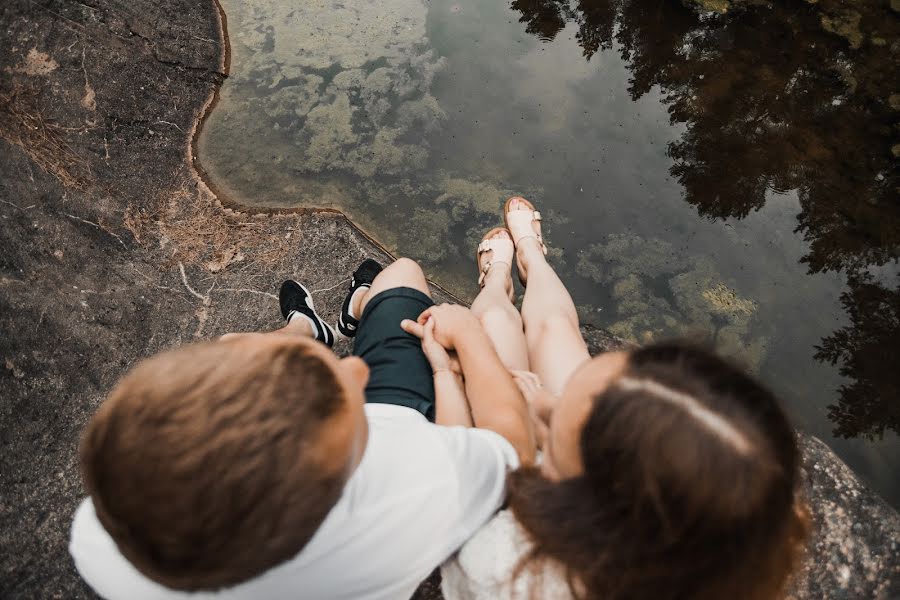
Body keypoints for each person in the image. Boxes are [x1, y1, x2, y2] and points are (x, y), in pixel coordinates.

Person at [408, 197, 810, 600]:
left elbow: (457, 479)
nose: (547, 402)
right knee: (555, 331)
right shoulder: (715, 548)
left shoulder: (503, 569)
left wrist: (452, 366)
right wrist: (550, 413)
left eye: (557, 413)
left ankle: (498, 282)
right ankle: (533, 259)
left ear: (579, 501)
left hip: (518, 481)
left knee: (494, 325)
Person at [69, 256, 536, 600]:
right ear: (346, 474)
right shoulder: (403, 495)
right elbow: (511, 449)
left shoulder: (102, 540)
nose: (356, 371)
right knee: (402, 275)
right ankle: (344, 316)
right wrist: (466, 338)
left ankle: (305, 331)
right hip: (402, 413)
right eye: (346, 392)